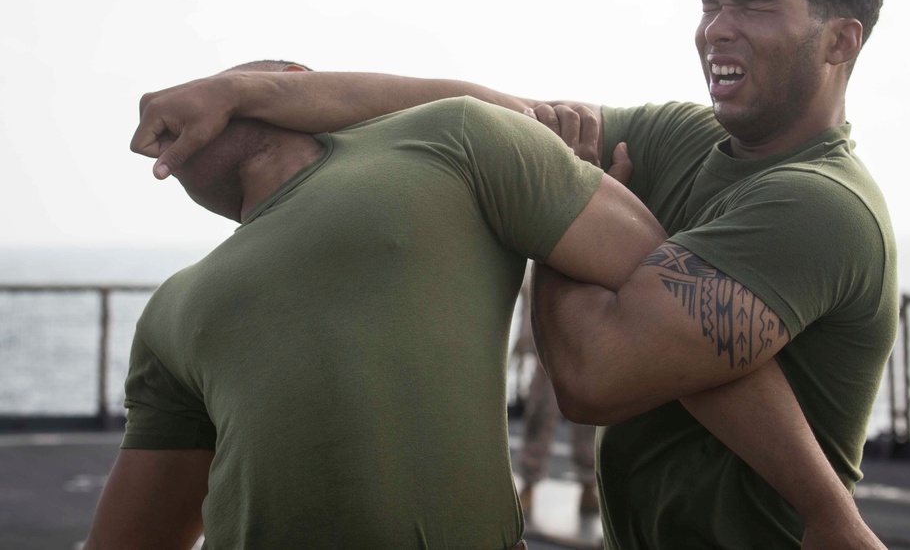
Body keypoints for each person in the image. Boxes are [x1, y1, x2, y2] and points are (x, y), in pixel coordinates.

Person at [125, 0, 892, 549]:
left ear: (839, 41)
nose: (714, 29)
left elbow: (594, 372)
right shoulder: (682, 138)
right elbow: (498, 114)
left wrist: (560, 204)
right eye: (709, 4)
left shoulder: (816, 205)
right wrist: (233, 91)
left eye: (753, 6)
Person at [85, 60, 667, 549]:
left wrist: (558, 238)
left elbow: (660, 301)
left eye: (226, 83)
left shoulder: (452, 135)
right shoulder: (171, 304)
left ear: (298, 82)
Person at [511, 273, 599, 519]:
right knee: (538, 415)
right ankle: (529, 483)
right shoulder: (539, 268)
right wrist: (526, 342)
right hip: (546, 352)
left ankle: (587, 485)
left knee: (589, 419)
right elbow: (529, 305)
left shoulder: (590, 262)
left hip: (583, 350)